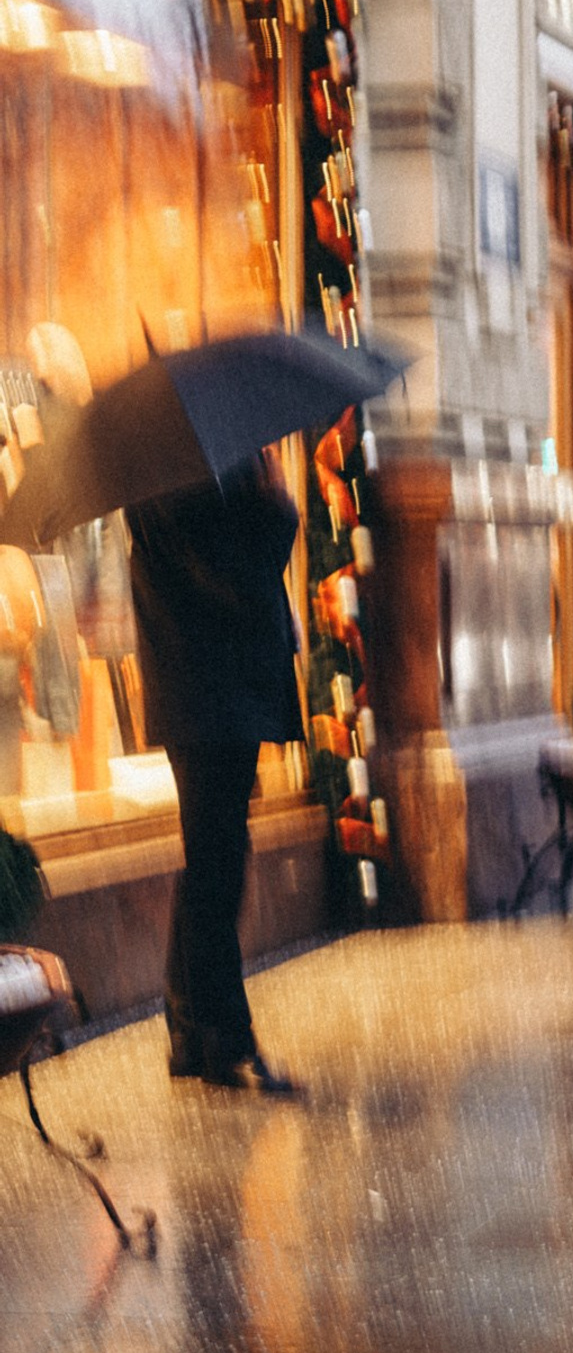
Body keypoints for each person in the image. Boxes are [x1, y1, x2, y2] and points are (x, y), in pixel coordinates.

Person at [127, 460, 306, 1093]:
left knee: (211, 858)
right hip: (208, 692)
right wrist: (280, 510)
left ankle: (188, 1033)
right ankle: (225, 1041)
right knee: (217, 863)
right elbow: (233, 577)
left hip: (208, 692)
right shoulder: (175, 479)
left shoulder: (170, 473)